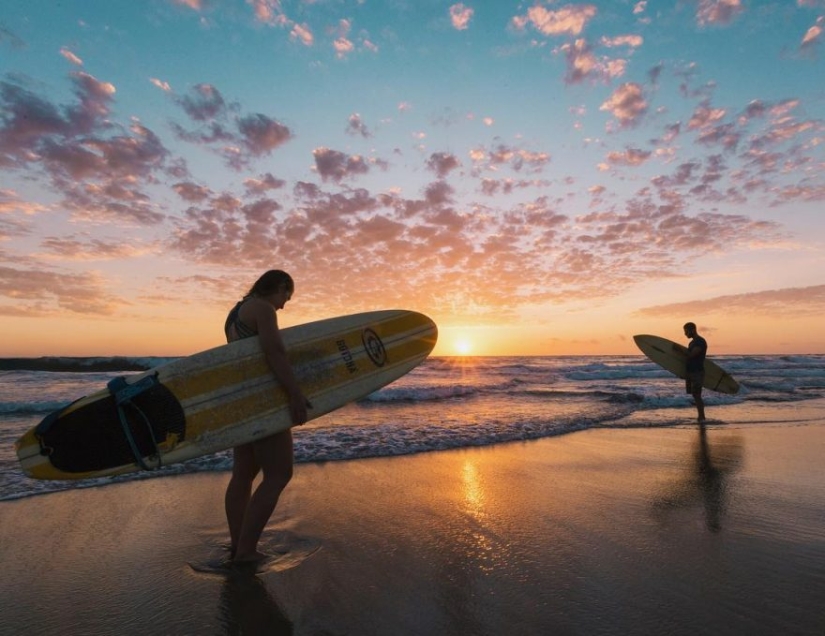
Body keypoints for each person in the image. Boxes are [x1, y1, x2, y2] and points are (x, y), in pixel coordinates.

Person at [223, 269, 310, 564]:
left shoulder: (236, 313)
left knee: (243, 475)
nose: (285, 304)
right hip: (263, 402)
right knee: (279, 473)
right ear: (280, 287)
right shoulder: (262, 308)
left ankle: (238, 545)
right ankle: (247, 551)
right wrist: (295, 394)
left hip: (242, 401)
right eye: (287, 295)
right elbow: (274, 352)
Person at [683, 322, 707, 422]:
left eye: (686, 331)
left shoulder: (700, 341)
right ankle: (700, 416)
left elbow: (692, 355)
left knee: (697, 395)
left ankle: (702, 417)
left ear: (692, 330)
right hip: (691, 372)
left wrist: (679, 351)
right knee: (694, 394)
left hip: (697, 371)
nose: (685, 334)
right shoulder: (692, 343)